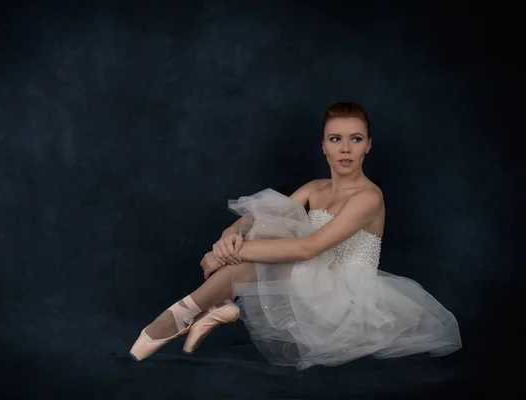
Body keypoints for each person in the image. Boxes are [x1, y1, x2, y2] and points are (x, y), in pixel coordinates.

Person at [129, 101, 462, 370]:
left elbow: (307, 248)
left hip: (342, 302)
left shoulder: (368, 197)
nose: (345, 149)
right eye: (336, 139)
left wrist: (230, 254)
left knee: (259, 255)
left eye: (355, 139)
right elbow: (255, 220)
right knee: (268, 221)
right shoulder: (314, 188)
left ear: (368, 146)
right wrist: (227, 237)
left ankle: (180, 316)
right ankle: (205, 308)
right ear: (324, 147)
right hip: (304, 285)